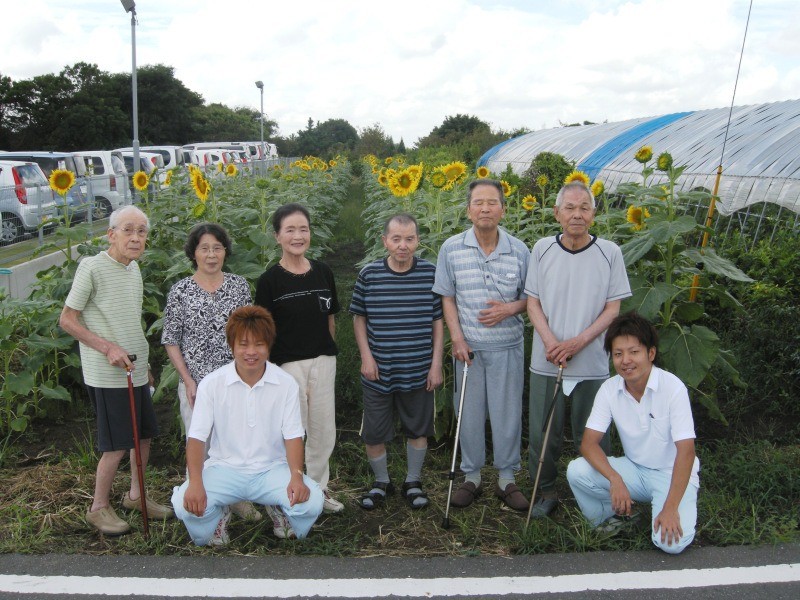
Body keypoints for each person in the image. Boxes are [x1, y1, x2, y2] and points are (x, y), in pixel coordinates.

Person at [59, 205, 174, 535]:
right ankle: (98, 507)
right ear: (111, 234)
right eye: (128, 230)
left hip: (135, 370)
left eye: (141, 232)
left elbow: (130, 323)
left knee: (145, 437)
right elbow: (67, 320)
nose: (136, 237)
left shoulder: (133, 270)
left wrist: (147, 365)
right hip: (107, 374)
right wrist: (107, 347)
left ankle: (136, 497)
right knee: (117, 445)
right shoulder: (92, 267)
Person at [171, 305, 324, 546]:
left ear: (269, 345)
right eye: (243, 344)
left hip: (272, 469)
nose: (251, 352)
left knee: (313, 502)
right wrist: (196, 482)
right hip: (224, 469)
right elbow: (197, 438)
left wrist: (296, 477)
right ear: (231, 345)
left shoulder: (285, 383)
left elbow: (294, 435)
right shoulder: (212, 384)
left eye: (259, 344)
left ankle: (279, 508)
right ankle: (217, 516)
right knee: (185, 506)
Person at [525, 181, 631, 518]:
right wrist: (551, 342)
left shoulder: (610, 252)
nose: (577, 214)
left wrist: (578, 342)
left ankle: (605, 492)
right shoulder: (541, 249)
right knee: (543, 433)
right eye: (569, 208)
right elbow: (533, 304)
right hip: (547, 361)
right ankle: (544, 491)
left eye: (584, 207)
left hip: (592, 363)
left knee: (595, 433)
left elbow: (613, 310)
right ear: (556, 213)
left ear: (594, 214)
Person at [432, 179, 530, 511]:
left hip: (507, 346)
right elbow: (447, 296)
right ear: (468, 209)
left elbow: (532, 298)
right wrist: (456, 338)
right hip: (468, 350)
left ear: (503, 208)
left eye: (492, 202)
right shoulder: (451, 248)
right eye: (478, 202)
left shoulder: (519, 249)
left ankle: (506, 478)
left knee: (507, 414)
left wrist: (510, 308)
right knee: (469, 414)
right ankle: (471, 476)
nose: (485, 208)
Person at [566, 311, 699, 554]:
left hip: (671, 474)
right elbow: (588, 444)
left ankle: (671, 506)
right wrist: (615, 479)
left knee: (671, 544)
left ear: (651, 353)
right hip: (634, 469)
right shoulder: (609, 389)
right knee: (576, 470)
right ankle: (613, 519)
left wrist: (670, 508)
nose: (625, 360)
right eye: (618, 354)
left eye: (634, 352)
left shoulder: (672, 388)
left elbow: (687, 451)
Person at [161, 223, 264, 526]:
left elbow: (249, 334)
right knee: (200, 443)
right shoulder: (181, 290)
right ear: (193, 253)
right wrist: (188, 380)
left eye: (217, 248)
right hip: (198, 384)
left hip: (235, 380)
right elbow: (171, 339)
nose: (211, 254)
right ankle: (204, 504)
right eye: (204, 248)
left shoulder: (239, 286)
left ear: (225, 252)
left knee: (236, 441)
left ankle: (238, 497)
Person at [349, 213, 444, 510]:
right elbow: (359, 317)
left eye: (410, 239)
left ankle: (413, 481)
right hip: (378, 370)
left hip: (418, 368)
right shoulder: (369, 274)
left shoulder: (430, 273)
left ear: (418, 240)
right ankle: (381, 482)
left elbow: (438, 322)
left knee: (418, 428)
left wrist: (436, 363)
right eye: (396, 239)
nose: (403, 245)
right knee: (375, 431)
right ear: (385, 241)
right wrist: (366, 356)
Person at [254, 203, 343, 514]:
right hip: (287, 366)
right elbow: (263, 331)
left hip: (323, 360)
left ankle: (318, 489)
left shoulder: (323, 272)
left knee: (323, 430)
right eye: (289, 230)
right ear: (277, 236)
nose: (297, 235)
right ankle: (286, 493)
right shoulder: (269, 281)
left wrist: (326, 350)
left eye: (303, 229)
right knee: (291, 432)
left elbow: (330, 319)